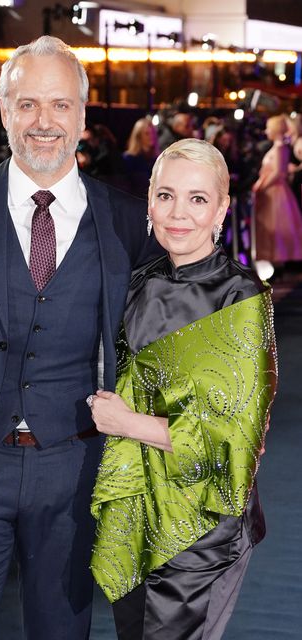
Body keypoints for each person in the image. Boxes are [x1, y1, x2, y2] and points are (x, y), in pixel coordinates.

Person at [0, 35, 162, 640]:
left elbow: (152, 338)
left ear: (83, 115)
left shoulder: (123, 218)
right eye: (29, 104)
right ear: (5, 109)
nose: (45, 122)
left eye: (61, 105)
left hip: (75, 472)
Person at [89, 138, 278, 640]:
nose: (179, 214)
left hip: (202, 524)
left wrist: (125, 423)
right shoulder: (137, 279)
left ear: (221, 209)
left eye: (197, 199)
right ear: (149, 201)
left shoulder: (240, 297)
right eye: (166, 195)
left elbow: (232, 439)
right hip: (134, 505)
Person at [252, 114, 302, 266]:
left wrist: (261, 185)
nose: (266, 131)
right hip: (271, 191)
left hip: (275, 192)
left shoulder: (280, 148)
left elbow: (278, 173)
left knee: (276, 227)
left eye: (268, 128)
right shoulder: (277, 147)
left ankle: (276, 264)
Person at [122, 117, 159, 199]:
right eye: (147, 133)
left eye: (153, 133)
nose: (151, 137)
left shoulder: (158, 160)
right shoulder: (128, 159)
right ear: (138, 136)